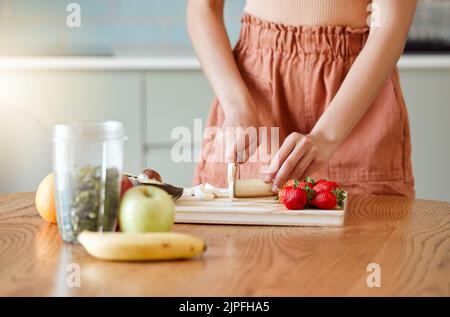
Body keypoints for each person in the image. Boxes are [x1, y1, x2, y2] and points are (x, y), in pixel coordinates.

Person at [188, 0, 416, 197]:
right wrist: (237, 106)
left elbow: (389, 23)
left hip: (355, 96)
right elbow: (203, 7)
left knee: (367, 238)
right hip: (255, 95)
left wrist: (326, 136)